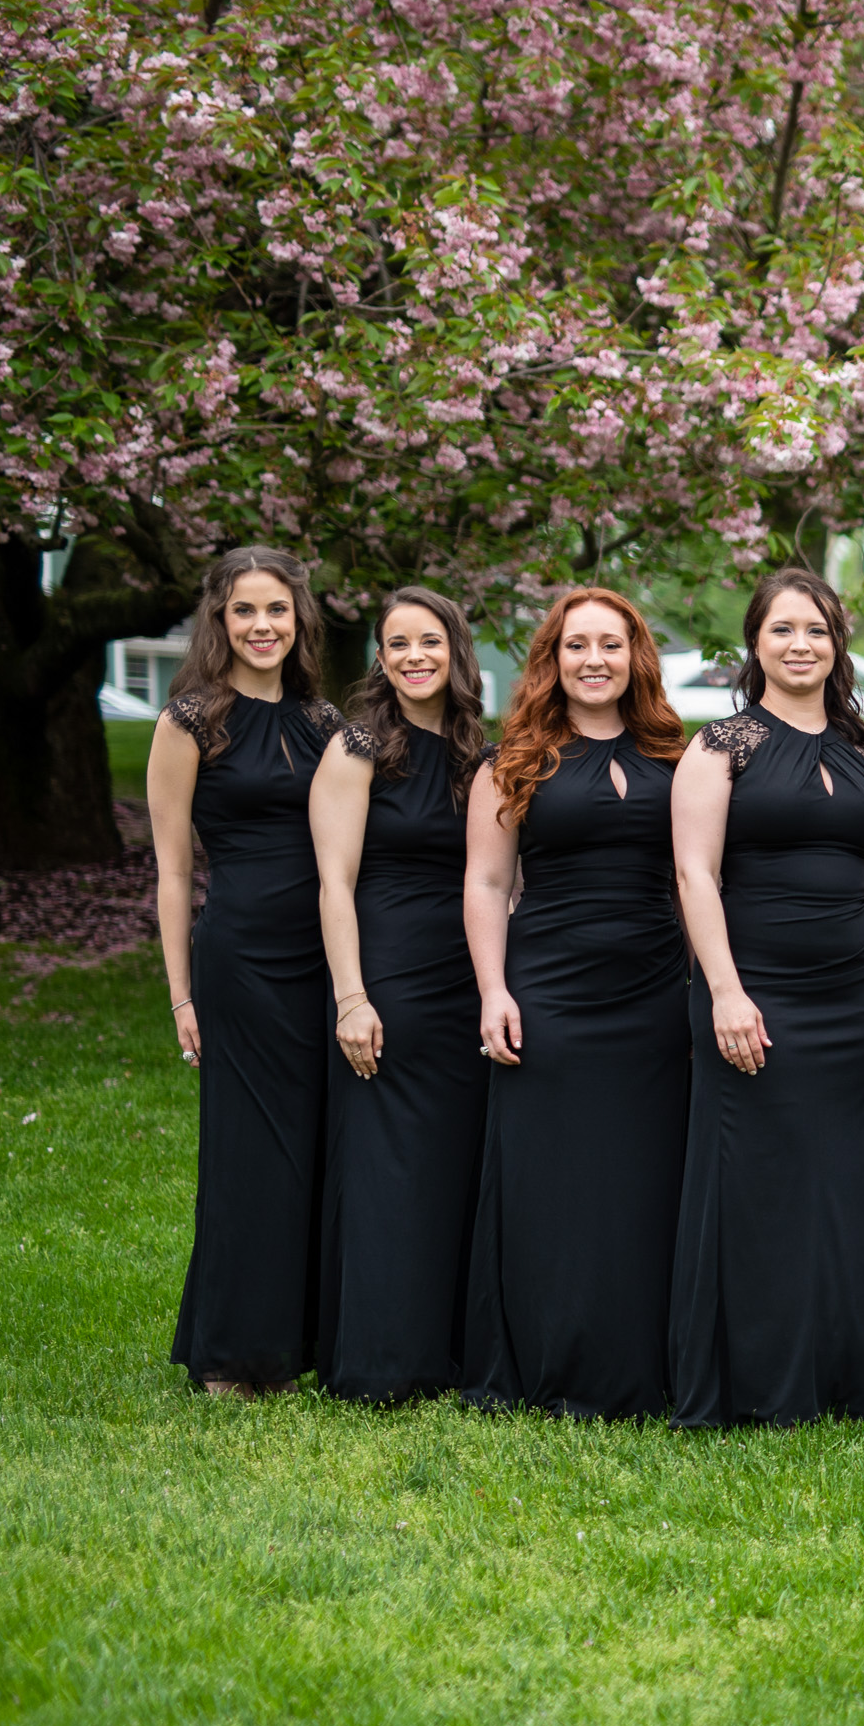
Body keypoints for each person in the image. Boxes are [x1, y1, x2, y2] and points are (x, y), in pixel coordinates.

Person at [669, 568, 864, 1427]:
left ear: (837, 643)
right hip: (755, 995)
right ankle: (761, 1377)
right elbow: (694, 875)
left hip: (851, 998)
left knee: (846, 1182)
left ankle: (854, 1372)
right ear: (756, 643)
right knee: (761, 1184)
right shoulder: (721, 746)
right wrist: (725, 992)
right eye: (782, 629)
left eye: (816, 629)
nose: (800, 644)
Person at [460, 587, 690, 1421]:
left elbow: (699, 877)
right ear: (551, 661)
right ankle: (548, 1360)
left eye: (611, 645)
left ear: (636, 657)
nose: (595, 660)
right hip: (549, 992)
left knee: (645, 1178)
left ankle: (645, 1362)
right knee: (551, 1180)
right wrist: (494, 990)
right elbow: (487, 883)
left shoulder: (677, 756)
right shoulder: (514, 759)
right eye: (577, 646)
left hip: (656, 995)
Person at [149, 547, 343, 1397]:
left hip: (326, 959)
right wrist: (180, 994)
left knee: (317, 1147)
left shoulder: (326, 724)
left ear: (299, 619)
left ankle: (306, 1337)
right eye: (244, 611)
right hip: (243, 960)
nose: (262, 626)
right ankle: (233, 1353)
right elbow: (171, 871)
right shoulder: (190, 721)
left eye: (276, 610)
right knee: (249, 1154)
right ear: (219, 620)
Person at [307, 587, 490, 1402]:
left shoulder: (478, 753)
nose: (415, 657)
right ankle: (382, 1359)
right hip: (388, 974)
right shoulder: (357, 748)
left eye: (430, 641)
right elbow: (333, 884)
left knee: (453, 1163)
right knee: (389, 1167)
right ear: (379, 659)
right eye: (398, 644)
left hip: (465, 979)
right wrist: (352, 997)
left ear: (456, 651)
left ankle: (450, 1351)